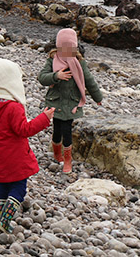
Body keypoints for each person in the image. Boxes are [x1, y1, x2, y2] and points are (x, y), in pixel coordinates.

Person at [0, 59, 55, 233]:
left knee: (2, 186)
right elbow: (24, 129)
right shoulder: (13, 106)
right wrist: (45, 118)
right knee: (18, 188)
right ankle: (4, 221)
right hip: (15, 158)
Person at [38, 28, 103, 173]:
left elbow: (89, 81)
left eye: (70, 47)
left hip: (71, 103)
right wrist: (56, 76)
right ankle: (56, 153)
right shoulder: (52, 60)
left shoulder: (79, 63)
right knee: (56, 130)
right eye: (63, 47)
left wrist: (98, 97)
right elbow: (42, 78)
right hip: (55, 102)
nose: (67, 51)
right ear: (58, 46)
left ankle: (67, 160)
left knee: (67, 130)